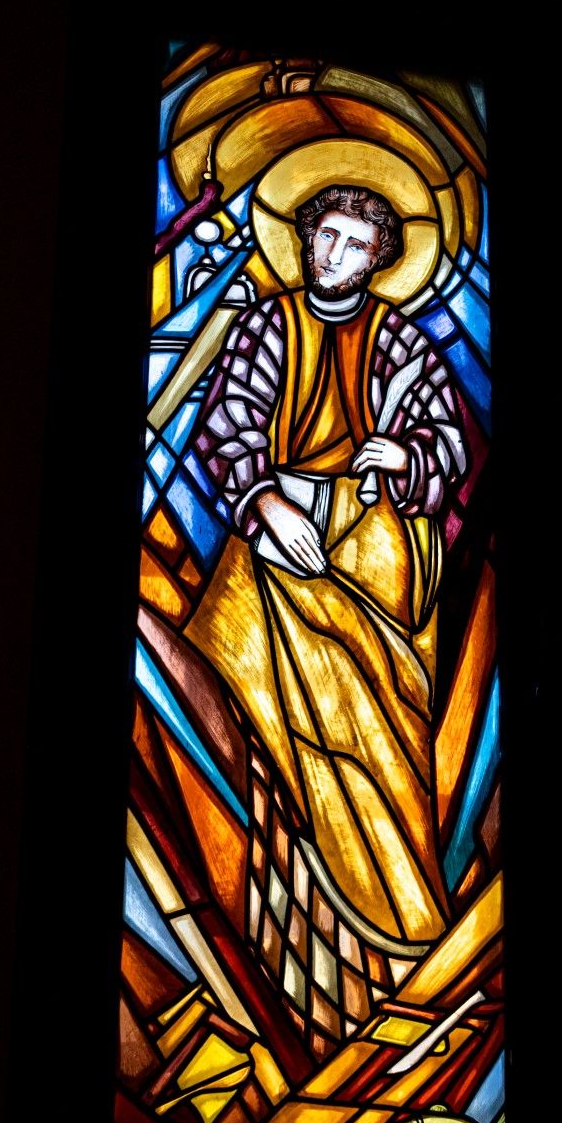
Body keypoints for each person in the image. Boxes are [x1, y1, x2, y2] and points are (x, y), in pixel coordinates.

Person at [184, 184, 468, 994]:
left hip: (374, 549)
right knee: (244, 601)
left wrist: (406, 457)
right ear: (305, 238)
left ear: (379, 258)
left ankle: (403, 914)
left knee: (373, 712)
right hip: (283, 527)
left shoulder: (399, 340)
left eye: (353, 244)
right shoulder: (269, 326)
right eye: (324, 236)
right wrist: (268, 504)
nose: (332, 255)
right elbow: (225, 429)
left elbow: (446, 443)